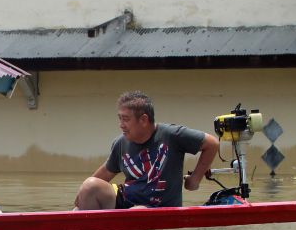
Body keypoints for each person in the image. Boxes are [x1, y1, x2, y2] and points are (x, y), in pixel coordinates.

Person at [74, 90, 220, 210]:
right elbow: (105, 172)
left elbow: (211, 144)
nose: (121, 125)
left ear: (143, 120)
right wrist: (81, 198)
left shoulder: (172, 135)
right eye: (120, 119)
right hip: (126, 200)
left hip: (158, 209)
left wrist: (195, 179)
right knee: (89, 186)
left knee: (137, 211)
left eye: (126, 119)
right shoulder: (120, 143)